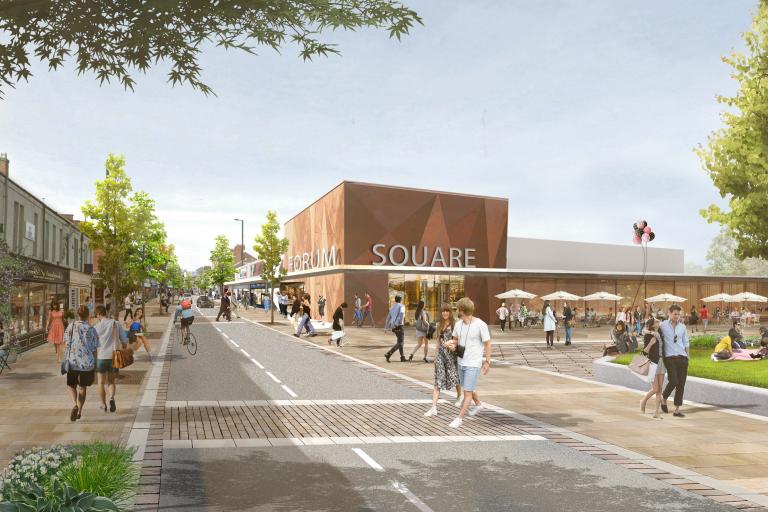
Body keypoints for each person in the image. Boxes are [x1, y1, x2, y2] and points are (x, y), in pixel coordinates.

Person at [446, 297, 491, 429]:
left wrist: (487, 362)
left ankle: (459, 418)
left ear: (462, 310)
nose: (456, 310)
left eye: (458, 308)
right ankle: (478, 405)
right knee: (468, 388)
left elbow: (488, 344)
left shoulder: (480, 325)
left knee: (467, 393)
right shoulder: (459, 325)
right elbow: (454, 340)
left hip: (473, 363)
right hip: (461, 362)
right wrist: (450, 344)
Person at [424, 306, 463, 417]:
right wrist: (436, 355)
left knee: (454, 376)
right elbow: (438, 341)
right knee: (438, 380)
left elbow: (459, 339)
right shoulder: (439, 324)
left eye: (447, 311)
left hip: (451, 355)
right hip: (441, 355)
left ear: (450, 312)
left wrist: (452, 345)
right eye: (443, 311)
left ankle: (460, 396)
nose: (445, 313)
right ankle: (433, 407)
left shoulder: (455, 325)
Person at [63, 305, 99, 422]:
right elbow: (94, 349)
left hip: (73, 361)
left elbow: (66, 343)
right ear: (88, 315)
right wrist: (95, 364)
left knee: (71, 385)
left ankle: (74, 404)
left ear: (78, 315)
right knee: (82, 388)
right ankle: (79, 411)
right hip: (87, 363)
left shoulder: (71, 326)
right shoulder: (91, 329)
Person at [93, 305, 128, 413]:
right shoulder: (115, 323)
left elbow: (93, 344)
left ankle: (103, 404)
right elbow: (124, 340)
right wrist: (123, 345)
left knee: (100, 382)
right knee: (111, 381)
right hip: (114, 357)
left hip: (101, 357)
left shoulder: (96, 327)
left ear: (98, 314)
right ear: (106, 313)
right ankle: (111, 398)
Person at [660, 304, 689, 418]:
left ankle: (677, 410)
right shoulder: (662, 325)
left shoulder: (682, 327)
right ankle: (664, 397)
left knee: (681, 384)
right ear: (669, 313)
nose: (677, 316)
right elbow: (647, 328)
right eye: (675, 314)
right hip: (669, 357)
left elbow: (686, 342)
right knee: (673, 381)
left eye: (678, 314)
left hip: (682, 357)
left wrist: (687, 356)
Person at [639, 317, 666, 419]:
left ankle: (656, 412)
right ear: (652, 324)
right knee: (655, 388)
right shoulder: (648, 335)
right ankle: (643, 400)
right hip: (652, 363)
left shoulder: (661, 333)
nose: (659, 322)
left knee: (660, 389)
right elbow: (644, 352)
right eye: (657, 321)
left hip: (662, 362)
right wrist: (650, 343)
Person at [384, 295, 406, 362]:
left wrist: (386, 327)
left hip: (393, 326)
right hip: (399, 325)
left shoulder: (392, 307)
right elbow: (402, 314)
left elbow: (388, 318)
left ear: (395, 300)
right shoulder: (402, 306)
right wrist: (399, 322)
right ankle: (389, 353)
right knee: (401, 342)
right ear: (401, 300)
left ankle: (402, 357)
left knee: (399, 341)